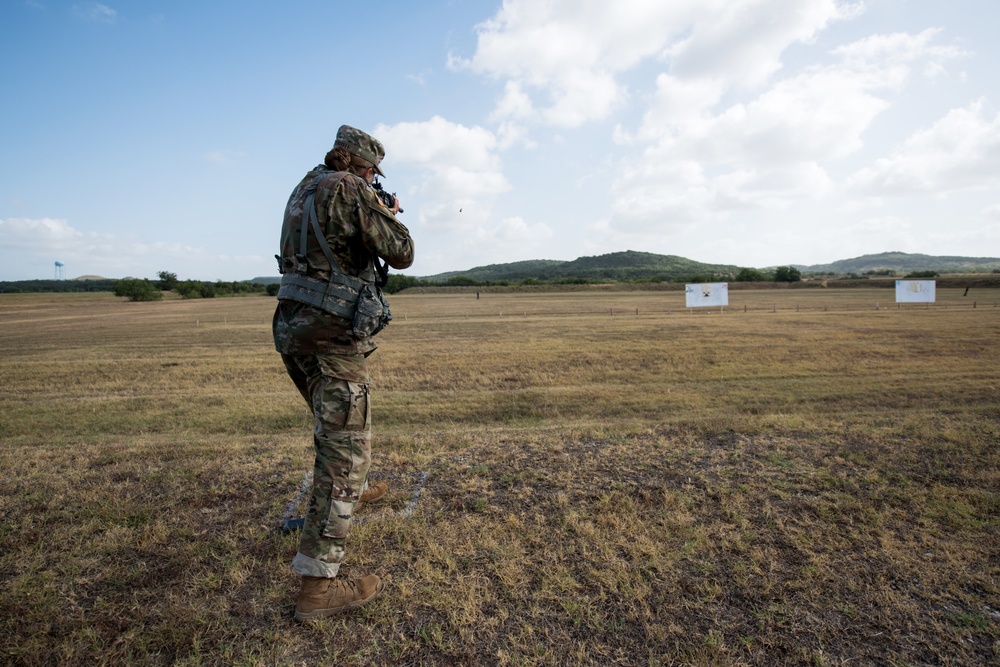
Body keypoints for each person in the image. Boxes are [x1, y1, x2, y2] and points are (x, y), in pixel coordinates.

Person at [272, 125, 414, 621]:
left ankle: (356, 489)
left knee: (337, 437)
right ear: (357, 163)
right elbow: (402, 250)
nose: (373, 177)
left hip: (294, 326)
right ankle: (317, 589)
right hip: (329, 332)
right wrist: (388, 212)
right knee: (342, 453)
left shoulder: (304, 188)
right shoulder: (348, 188)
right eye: (372, 169)